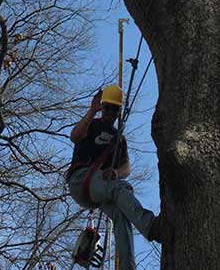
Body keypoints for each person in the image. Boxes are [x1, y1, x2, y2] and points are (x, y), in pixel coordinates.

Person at [66, 84, 161, 270]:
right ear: (102, 107)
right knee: (120, 188)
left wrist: (116, 173)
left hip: (98, 187)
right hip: (80, 179)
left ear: (119, 111)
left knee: (120, 215)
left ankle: (128, 267)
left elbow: (126, 167)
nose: (110, 111)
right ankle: (151, 226)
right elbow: (75, 137)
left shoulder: (119, 139)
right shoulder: (92, 125)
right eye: (107, 106)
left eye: (114, 108)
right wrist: (92, 111)